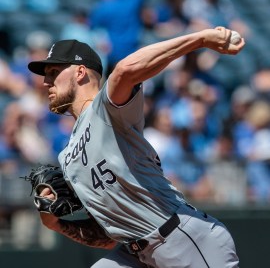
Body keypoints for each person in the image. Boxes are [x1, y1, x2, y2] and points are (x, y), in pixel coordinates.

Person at [27, 26, 245, 268]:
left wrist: (200, 39)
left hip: (181, 238)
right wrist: (55, 223)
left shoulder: (104, 110)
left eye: (54, 72)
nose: (46, 82)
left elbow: (125, 70)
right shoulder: (66, 157)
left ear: (80, 72)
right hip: (135, 251)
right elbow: (106, 237)